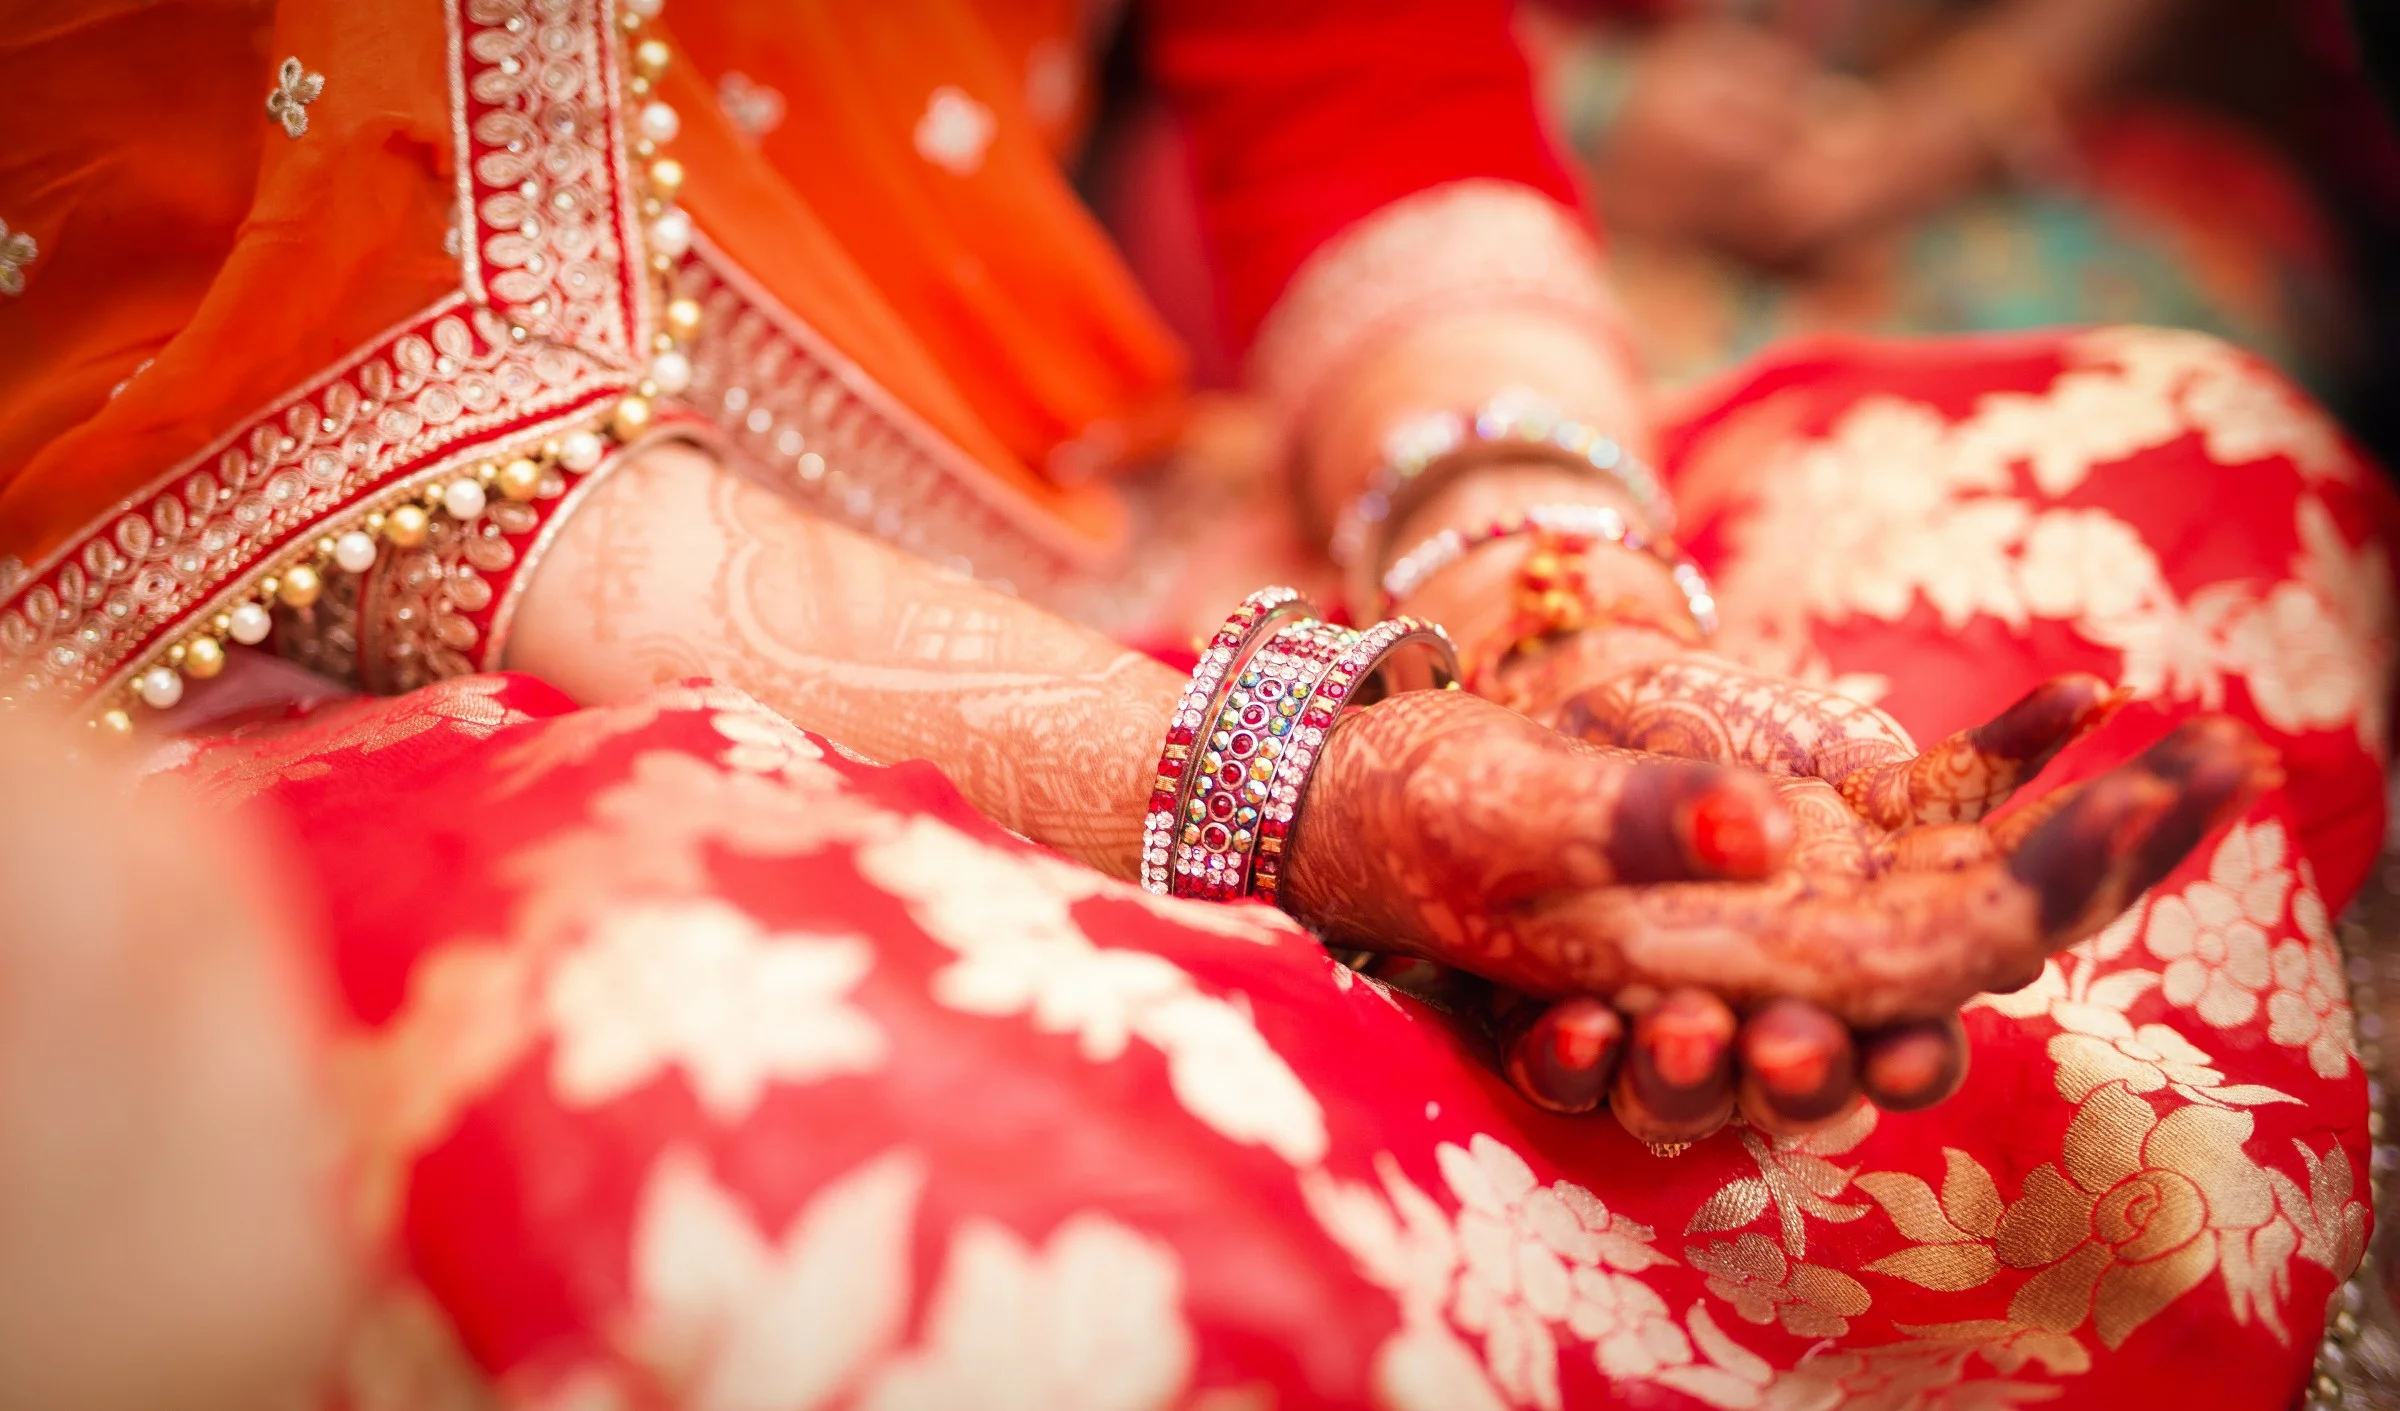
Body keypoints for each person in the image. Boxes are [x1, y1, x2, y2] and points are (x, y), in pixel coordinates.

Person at [0, 0, 2386, 1406]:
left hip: (1111, 506)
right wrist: (1285, 786)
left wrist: (1544, 599)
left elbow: (1357, 88)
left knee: (2163, 474)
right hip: (345, 638)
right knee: (775, 1136)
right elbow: (171, 367)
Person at [1522, 0, 2372, 396]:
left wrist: (1947, 126)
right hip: (1519, 159)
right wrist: (1588, 103)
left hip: (2002, 162)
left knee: (2190, 409)